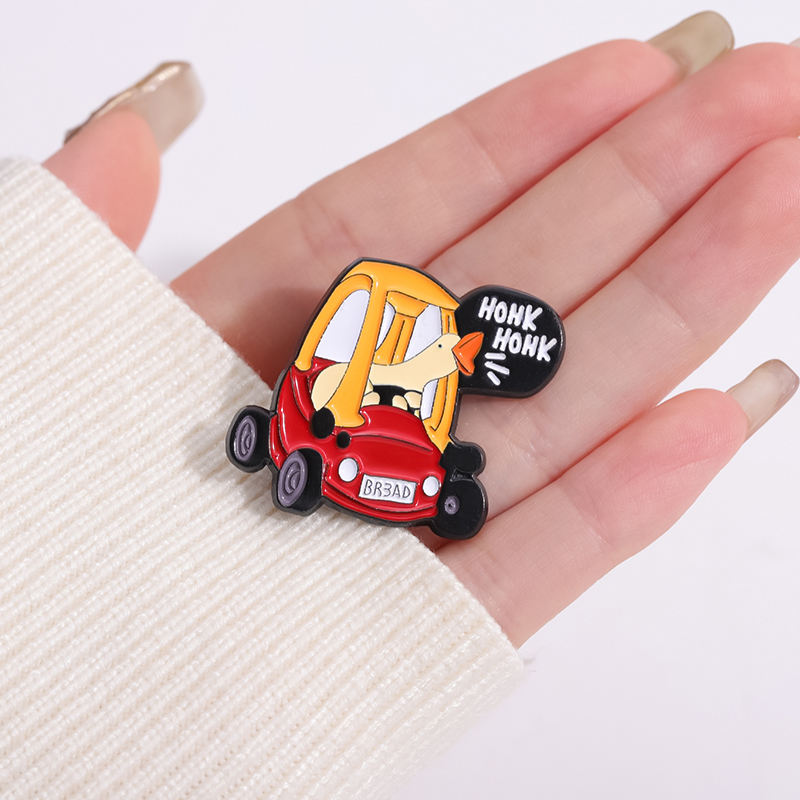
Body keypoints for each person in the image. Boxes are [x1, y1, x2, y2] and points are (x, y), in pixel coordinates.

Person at [1, 11, 798, 799]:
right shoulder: (348, 366)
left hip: (390, 427)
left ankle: (410, 477)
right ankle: (308, 454)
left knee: (431, 453)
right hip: (331, 409)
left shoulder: (422, 376)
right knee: (327, 428)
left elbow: (426, 377)